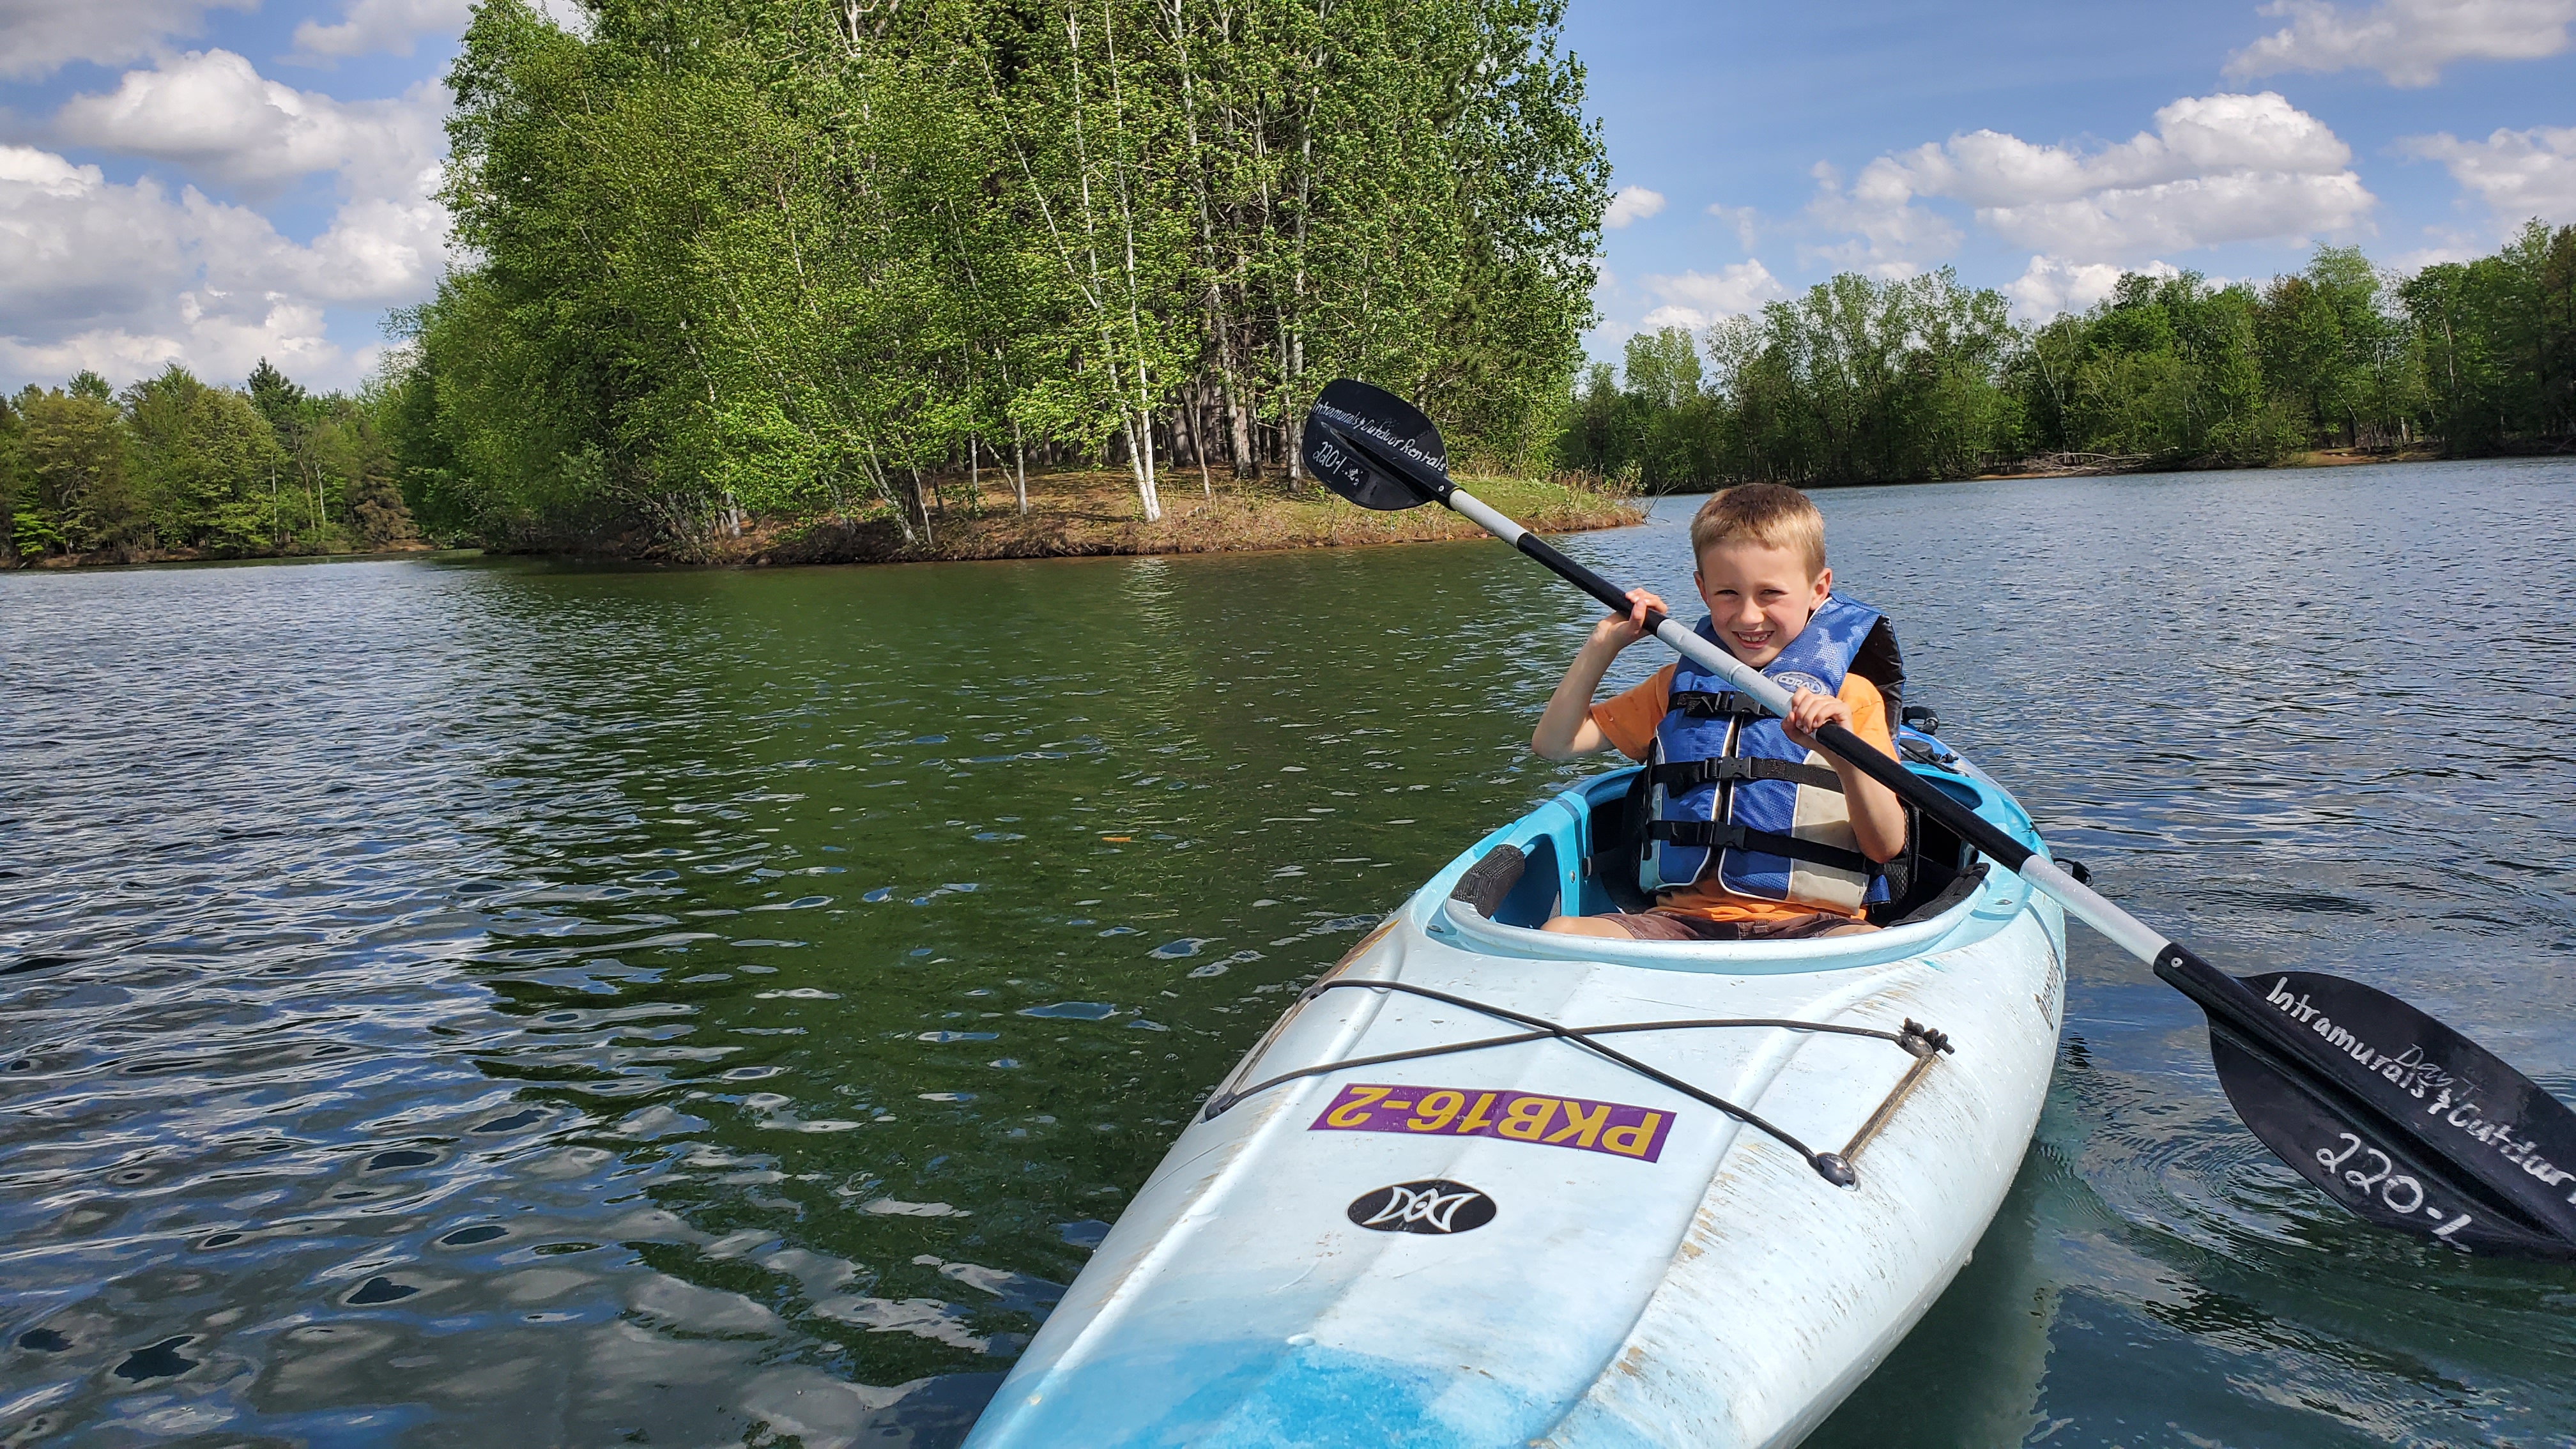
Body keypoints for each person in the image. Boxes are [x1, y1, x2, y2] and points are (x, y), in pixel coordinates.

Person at [1529, 484, 1906, 941]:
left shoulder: (1850, 697)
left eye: (1771, 593)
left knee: (1869, 948)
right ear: (1702, 590)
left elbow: (1885, 846)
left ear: (1818, 589)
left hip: (1817, 928)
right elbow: (1554, 744)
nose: (1749, 617)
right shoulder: (1674, 687)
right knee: (1560, 931)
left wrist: (1846, 759)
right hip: (1679, 924)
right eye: (1729, 593)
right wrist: (1603, 643)